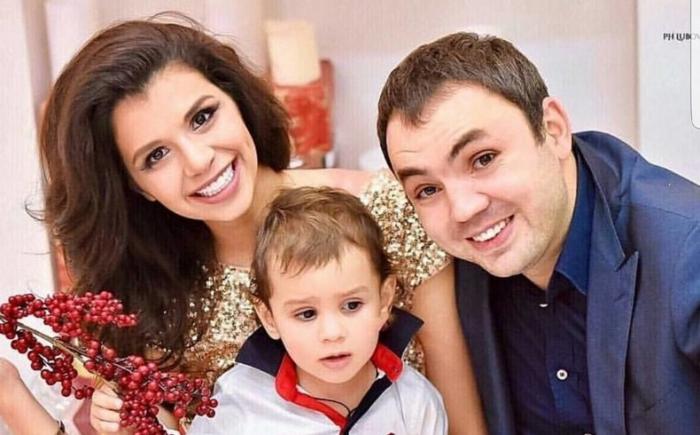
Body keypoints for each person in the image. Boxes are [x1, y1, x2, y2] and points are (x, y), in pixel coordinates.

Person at [0, 17, 486, 435]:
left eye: (202, 117)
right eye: (156, 155)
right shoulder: (151, 292)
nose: (199, 160)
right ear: (135, 186)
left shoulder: (382, 210)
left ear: (236, 100)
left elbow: (462, 416)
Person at [377, 31, 700, 434]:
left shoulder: (688, 250)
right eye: (427, 190)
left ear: (553, 129)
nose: (463, 209)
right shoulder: (456, 257)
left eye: (483, 159)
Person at [190, 186, 447, 434]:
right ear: (269, 318)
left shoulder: (416, 404)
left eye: (352, 305)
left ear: (384, 300)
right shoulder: (236, 409)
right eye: (307, 314)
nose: (332, 333)